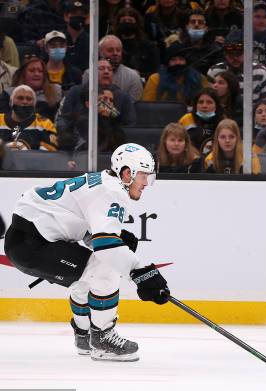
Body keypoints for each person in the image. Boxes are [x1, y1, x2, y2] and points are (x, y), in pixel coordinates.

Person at [3, 143, 171, 362]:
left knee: (86, 277)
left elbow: (77, 225)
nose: (146, 184)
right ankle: (102, 338)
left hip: (27, 241)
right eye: (144, 176)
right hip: (33, 244)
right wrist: (144, 274)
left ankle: (84, 336)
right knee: (105, 267)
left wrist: (111, 241)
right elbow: (107, 248)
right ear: (127, 173)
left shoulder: (102, 182)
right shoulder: (112, 191)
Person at [207, 30, 266, 102]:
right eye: (231, 54)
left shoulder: (260, 71)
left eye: (238, 54)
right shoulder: (214, 71)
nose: (235, 58)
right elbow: (209, 101)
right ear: (225, 54)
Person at [0, 85, 58, 168]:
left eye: (29, 99)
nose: (24, 102)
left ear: (34, 104)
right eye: (20, 98)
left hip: (31, 173)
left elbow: (50, 154)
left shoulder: (44, 123)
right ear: (11, 102)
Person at [57, 85, 125, 152]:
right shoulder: (82, 121)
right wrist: (105, 120)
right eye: (100, 101)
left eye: (104, 101)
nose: (105, 104)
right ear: (88, 104)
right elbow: (97, 145)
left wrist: (114, 120)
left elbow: (119, 147)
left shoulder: (111, 120)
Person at [142, 38, 208, 105]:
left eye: (181, 59)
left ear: (187, 62)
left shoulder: (199, 78)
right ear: (167, 63)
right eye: (173, 60)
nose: (178, 62)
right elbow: (147, 105)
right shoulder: (155, 79)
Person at [0, 54, 63, 120]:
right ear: (23, 74)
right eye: (32, 71)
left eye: (40, 71)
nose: (36, 74)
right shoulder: (8, 94)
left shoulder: (56, 92)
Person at [83, 35, 143, 101]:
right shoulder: (89, 74)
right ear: (100, 53)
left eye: (118, 50)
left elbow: (131, 107)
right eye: (110, 50)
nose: (115, 53)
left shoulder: (133, 77)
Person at [112, 7, 160, 81]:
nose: (127, 22)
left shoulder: (149, 46)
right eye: (123, 20)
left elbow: (155, 71)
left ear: (137, 23)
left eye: (130, 20)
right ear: (118, 23)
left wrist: (139, 75)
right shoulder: (111, 45)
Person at [178, 88, 224, 154]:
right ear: (195, 105)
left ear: (216, 106)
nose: (204, 106)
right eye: (200, 102)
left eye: (209, 102)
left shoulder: (223, 121)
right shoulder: (186, 119)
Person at [179, 9, 224, 74]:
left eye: (200, 22)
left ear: (206, 28)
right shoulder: (179, 49)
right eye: (192, 22)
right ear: (187, 27)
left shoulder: (215, 50)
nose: (196, 25)